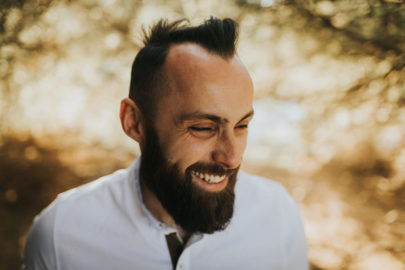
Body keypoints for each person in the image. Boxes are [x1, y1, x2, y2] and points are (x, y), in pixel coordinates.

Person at [24, 17, 308, 270]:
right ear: (134, 122)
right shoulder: (60, 235)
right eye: (203, 128)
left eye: (242, 125)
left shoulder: (278, 217)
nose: (232, 157)